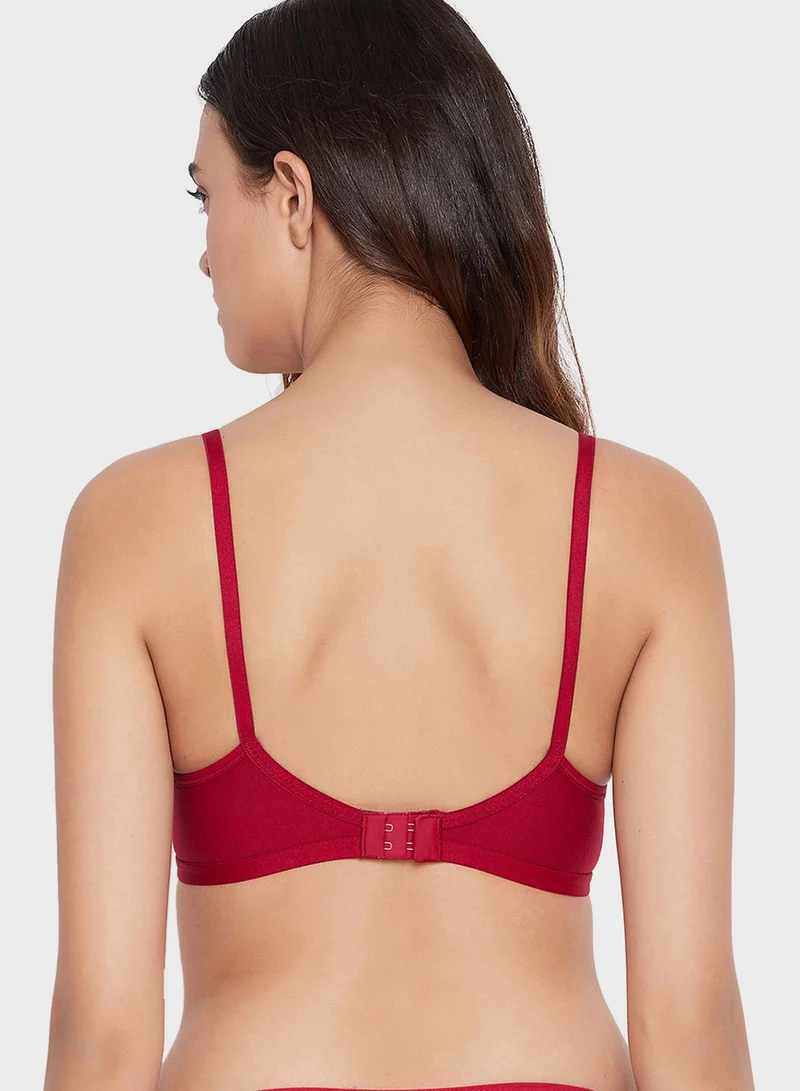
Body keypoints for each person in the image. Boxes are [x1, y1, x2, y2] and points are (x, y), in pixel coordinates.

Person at [43, 2, 755, 1090]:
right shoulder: (644, 521)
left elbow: (103, 1032)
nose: (201, 253)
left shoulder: (135, 522)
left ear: (293, 196)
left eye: (204, 195)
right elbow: (689, 1025)